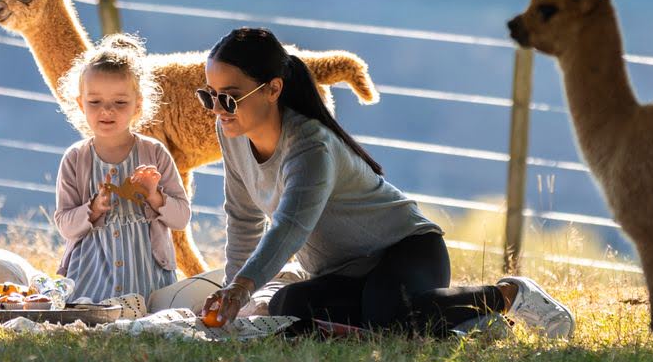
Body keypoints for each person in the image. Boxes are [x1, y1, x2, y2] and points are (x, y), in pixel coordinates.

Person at [198, 27, 574, 338]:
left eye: (229, 99)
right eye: (208, 97)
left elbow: (290, 227)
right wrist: (237, 299)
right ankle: (463, 325)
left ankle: (509, 295)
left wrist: (241, 288)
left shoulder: (310, 145)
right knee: (287, 308)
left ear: (273, 89)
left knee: (385, 314)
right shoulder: (230, 133)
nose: (217, 109)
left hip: (407, 251)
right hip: (344, 273)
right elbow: (243, 218)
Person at [51, 34, 189, 303]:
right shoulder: (75, 159)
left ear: (138, 104)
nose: (107, 111)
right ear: (80, 104)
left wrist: (155, 196)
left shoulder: (155, 153)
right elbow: (65, 226)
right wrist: (92, 209)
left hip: (148, 284)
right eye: (95, 102)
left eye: (120, 102)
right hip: (89, 285)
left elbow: (181, 218)